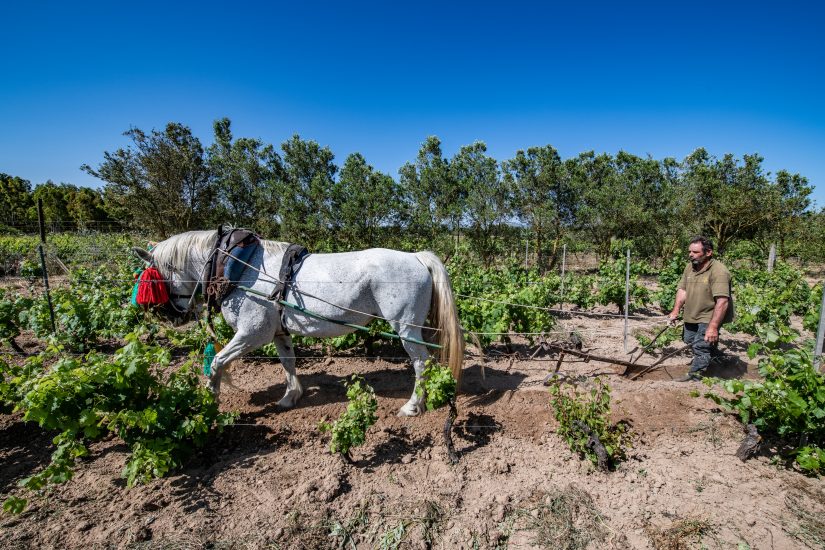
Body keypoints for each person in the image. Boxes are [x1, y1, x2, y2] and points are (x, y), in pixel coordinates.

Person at [668, 236, 733, 381]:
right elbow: (682, 290)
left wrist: (713, 327)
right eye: (690, 251)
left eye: (695, 252)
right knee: (689, 339)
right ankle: (720, 361)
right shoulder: (690, 267)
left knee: (700, 346)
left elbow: (722, 301)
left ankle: (696, 376)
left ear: (708, 252)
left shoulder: (719, 271)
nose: (691, 255)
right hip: (692, 314)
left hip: (709, 316)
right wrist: (675, 310)